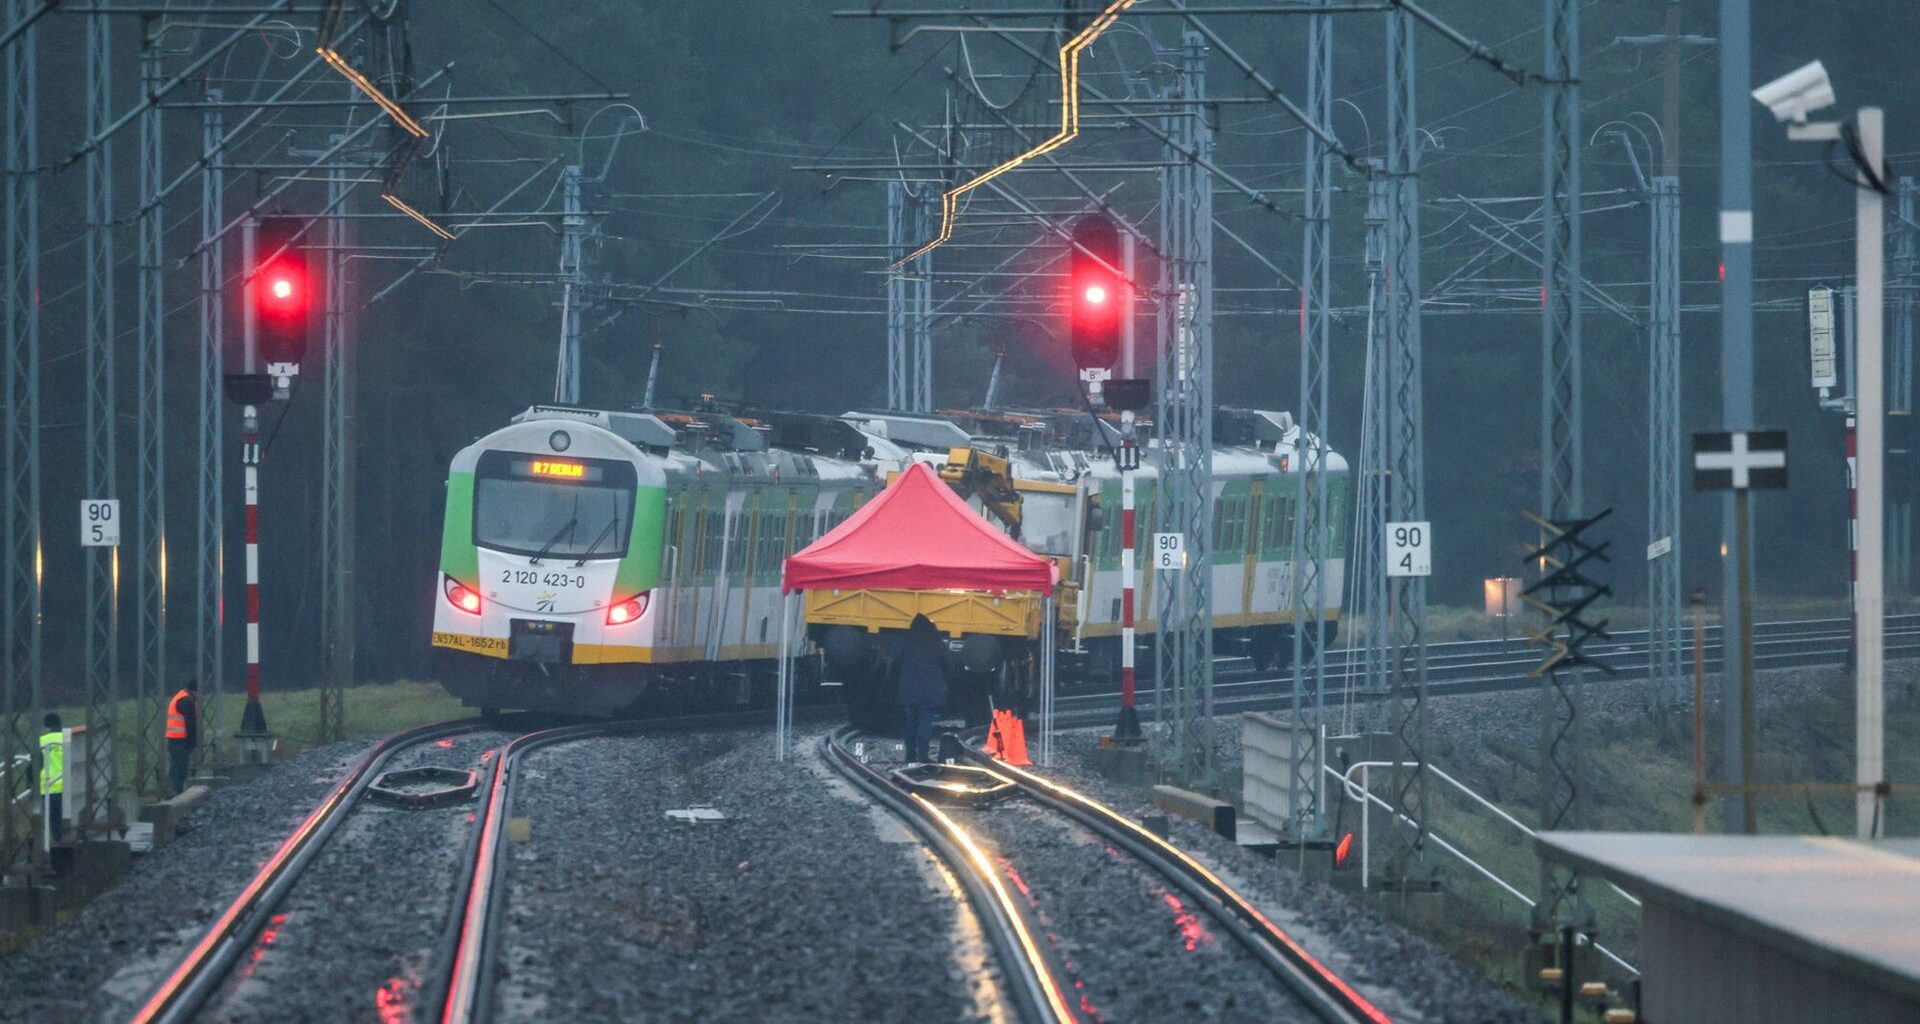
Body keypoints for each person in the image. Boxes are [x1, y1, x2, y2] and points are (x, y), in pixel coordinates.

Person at [895, 615, 948, 764]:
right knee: (925, 723)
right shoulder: (936, 642)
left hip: (910, 691)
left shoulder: (908, 641)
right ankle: (923, 757)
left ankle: (909, 755)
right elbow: (947, 663)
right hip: (930, 691)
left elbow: (897, 661)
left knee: (911, 723)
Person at [166, 684, 199, 797]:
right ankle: (177, 793)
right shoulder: (187, 701)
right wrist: (192, 743)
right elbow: (190, 724)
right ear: (196, 690)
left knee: (176, 767)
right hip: (180, 740)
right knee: (180, 768)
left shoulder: (179, 697)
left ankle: (175, 791)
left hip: (174, 739)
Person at [38, 712, 63, 847]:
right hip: (68, 785)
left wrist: (30, 783)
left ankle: (55, 843)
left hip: (49, 786)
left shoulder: (42, 740)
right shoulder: (67, 738)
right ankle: (62, 841)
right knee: (65, 818)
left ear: (47, 726)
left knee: (53, 819)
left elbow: (36, 764)